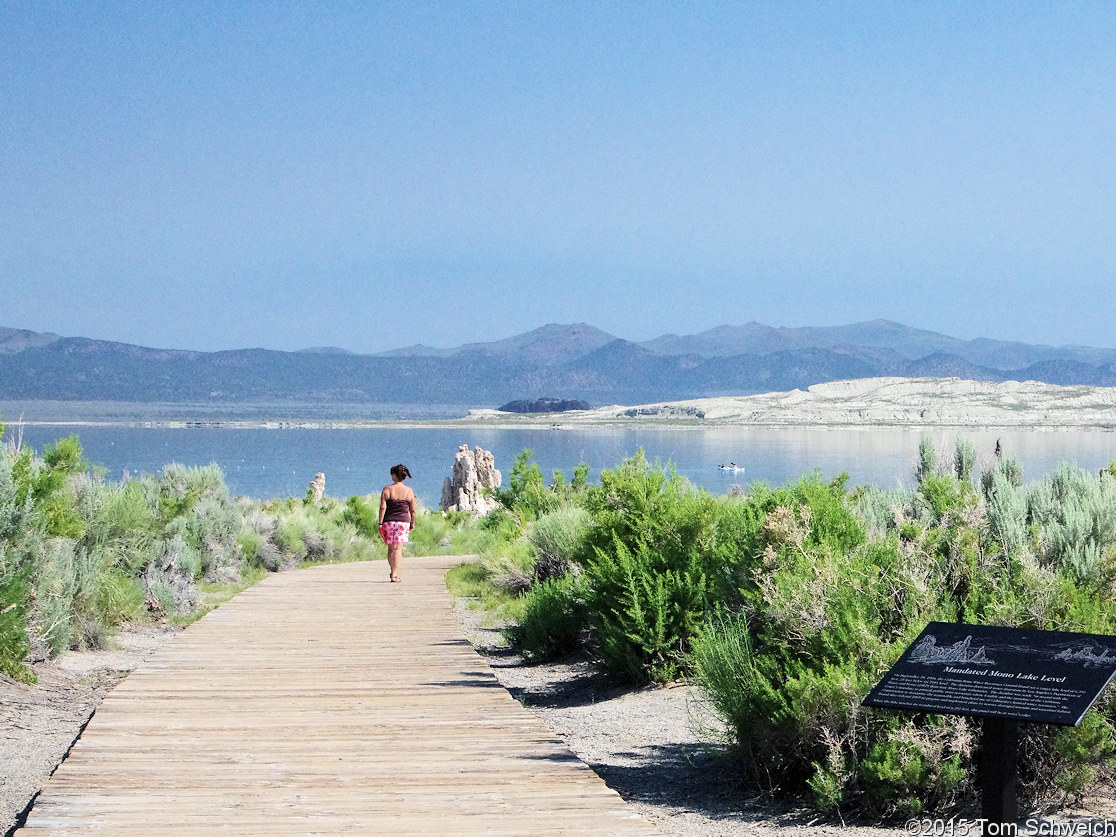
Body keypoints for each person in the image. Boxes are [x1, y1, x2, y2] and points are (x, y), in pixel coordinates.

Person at [378, 464, 416, 582]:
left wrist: (380, 523)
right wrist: (412, 523)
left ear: (394, 476)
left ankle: (392, 570)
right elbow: (413, 511)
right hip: (403, 522)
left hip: (389, 522)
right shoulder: (409, 491)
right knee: (398, 549)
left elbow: (382, 508)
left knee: (391, 548)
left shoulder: (387, 489)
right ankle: (394, 573)